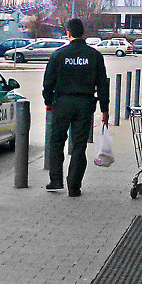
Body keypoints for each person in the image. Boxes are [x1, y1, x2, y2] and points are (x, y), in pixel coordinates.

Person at [42, 18, 110, 197]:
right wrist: (105, 108)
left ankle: (55, 180)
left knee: (57, 141)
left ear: (68, 33)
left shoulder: (59, 54)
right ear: (83, 33)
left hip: (62, 103)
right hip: (85, 104)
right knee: (79, 145)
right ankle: (74, 186)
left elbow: (48, 82)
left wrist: (48, 102)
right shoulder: (94, 55)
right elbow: (102, 84)